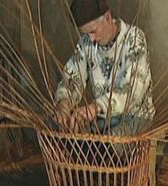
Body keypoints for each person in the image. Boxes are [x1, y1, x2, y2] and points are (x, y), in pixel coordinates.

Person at [54, 0, 154, 135]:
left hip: (135, 117)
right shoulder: (86, 42)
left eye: (93, 31)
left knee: (110, 144)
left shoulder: (134, 39)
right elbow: (73, 78)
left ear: (107, 17)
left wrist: (97, 107)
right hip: (103, 119)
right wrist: (64, 104)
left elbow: (132, 90)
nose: (92, 38)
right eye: (86, 34)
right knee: (72, 136)